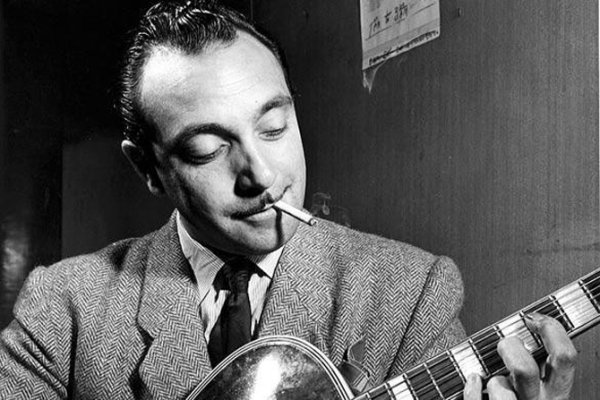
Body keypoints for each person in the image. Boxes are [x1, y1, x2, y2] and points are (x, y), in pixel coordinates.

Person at [0, 1, 576, 399]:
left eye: (274, 127)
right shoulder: (65, 309)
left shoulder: (410, 293)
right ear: (147, 168)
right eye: (206, 150)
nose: (261, 175)